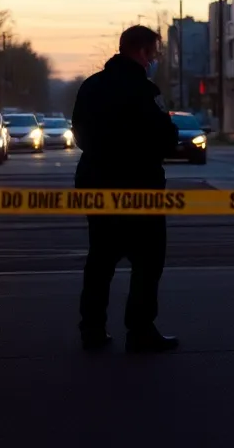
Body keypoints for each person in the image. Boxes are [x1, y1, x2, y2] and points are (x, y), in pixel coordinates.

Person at [71, 25, 180, 353]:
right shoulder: (145, 90)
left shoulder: (91, 86)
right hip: (139, 187)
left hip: (96, 183)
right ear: (143, 52)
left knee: (100, 259)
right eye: (153, 53)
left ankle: (92, 328)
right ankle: (140, 330)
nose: (154, 59)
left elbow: (79, 134)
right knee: (148, 260)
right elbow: (165, 137)